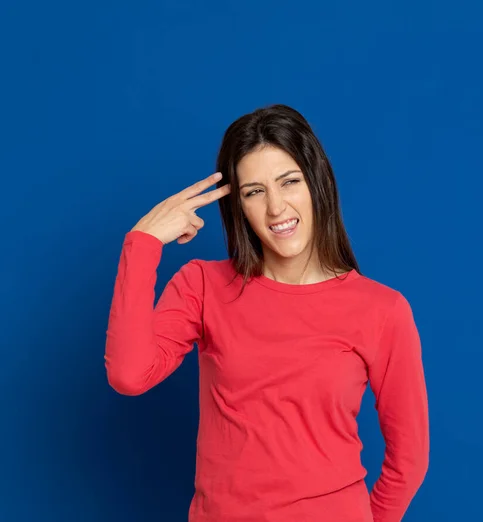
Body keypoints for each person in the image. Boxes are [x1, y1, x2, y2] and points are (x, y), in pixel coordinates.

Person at [104, 104, 429, 522]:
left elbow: (410, 459)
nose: (276, 208)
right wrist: (142, 243)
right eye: (254, 191)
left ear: (317, 183)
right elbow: (129, 374)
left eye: (288, 182)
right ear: (238, 205)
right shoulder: (203, 286)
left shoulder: (382, 309)